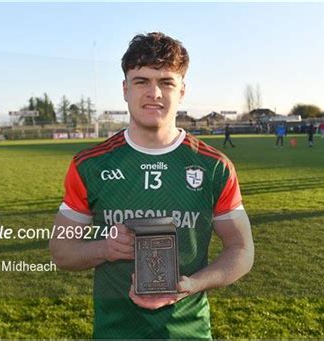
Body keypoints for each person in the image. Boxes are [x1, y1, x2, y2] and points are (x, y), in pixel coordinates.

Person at [50, 32, 254, 339]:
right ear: (125, 88)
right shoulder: (90, 165)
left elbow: (241, 249)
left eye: (166, 82)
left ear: (182, 90)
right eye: (142, 81)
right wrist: (107, 248)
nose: (154, 92)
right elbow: (61, 251)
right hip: (115, 333)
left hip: (189, 333)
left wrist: (193, 285)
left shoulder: (213, 166)